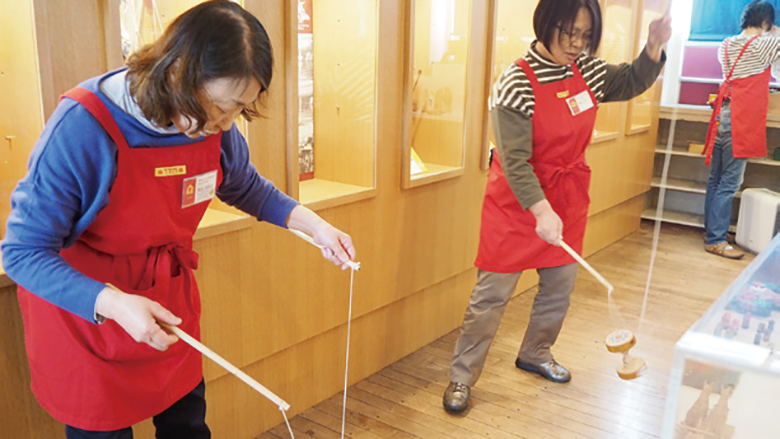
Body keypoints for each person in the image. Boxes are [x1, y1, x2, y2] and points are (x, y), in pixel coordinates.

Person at [0, 1, 356, 437]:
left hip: (165, 300)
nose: (225, 124)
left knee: (187, 424)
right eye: (219, 106)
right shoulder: (83, 126)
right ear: (176, 72)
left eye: (239, 109)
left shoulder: (215, 127)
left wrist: (316, 227)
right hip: (88, 309)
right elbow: (22, 253)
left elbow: (243, 185)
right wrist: (114, 303)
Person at [443, 0, 671, 413]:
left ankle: (536, 352)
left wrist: (653, 46)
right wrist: (540, 209)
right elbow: (514, 161)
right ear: (545, 23)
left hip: (567, 197)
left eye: (586, 35)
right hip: (516, 204)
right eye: (569, 33)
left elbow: (632, 80)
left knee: (559, 289)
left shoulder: (588, 70)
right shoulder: (516, 81)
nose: (577, 44)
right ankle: (462, 375)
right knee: (490, 297)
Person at [703, 1, 780, 260]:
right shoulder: (764, 45)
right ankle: (716, 240)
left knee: (716, 179)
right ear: (766, 23)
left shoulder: (725, 44)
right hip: (742, 119)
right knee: (729, 182)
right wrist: (773, 31)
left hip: (722, 115)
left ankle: (712, 233)